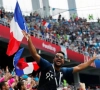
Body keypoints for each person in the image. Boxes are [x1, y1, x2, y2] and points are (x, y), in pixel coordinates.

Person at [22, 31, 97, 90]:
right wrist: (29, 40)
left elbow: (79, 67)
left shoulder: (64, 71)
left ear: (63, 61)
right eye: (57, 56)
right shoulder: (46, 65)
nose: (59, 58)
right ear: (53, 59)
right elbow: (35, 54)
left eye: (61, 57)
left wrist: (91, 60)